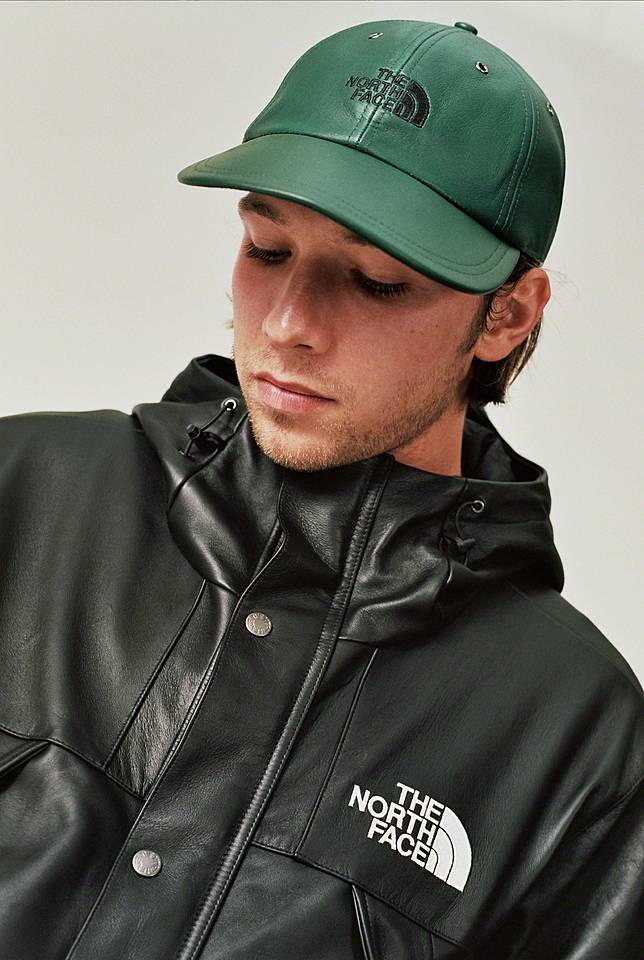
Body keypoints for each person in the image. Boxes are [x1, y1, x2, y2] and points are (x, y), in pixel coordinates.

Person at [0, 17, 641, 960]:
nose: (288, 323)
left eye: (375, 280)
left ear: (507, 313)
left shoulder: (576, 740)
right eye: (266, 249)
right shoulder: (24, 495)